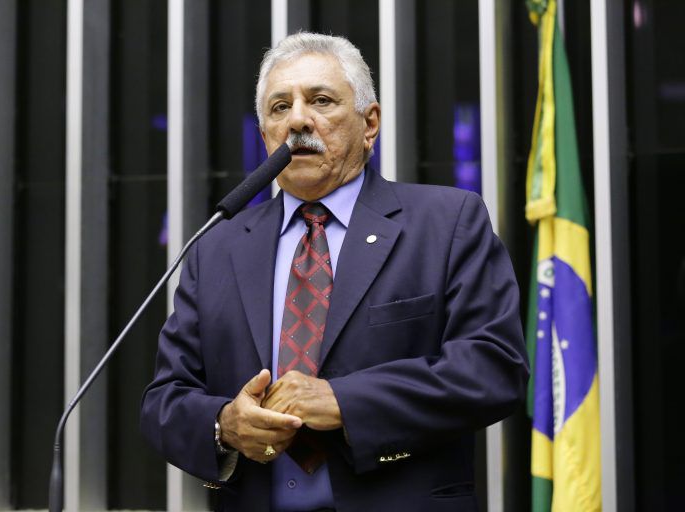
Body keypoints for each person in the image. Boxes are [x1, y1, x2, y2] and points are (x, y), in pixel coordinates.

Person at [140, 32, 528, 512]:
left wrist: (343, 401)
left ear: (370, 124)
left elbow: (493, 367)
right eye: (280, 108)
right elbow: (165, 400)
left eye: (321, 100)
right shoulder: (216, 248)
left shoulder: (446, 223)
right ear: (265, 136)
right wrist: (224, 425)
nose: (298, 119)